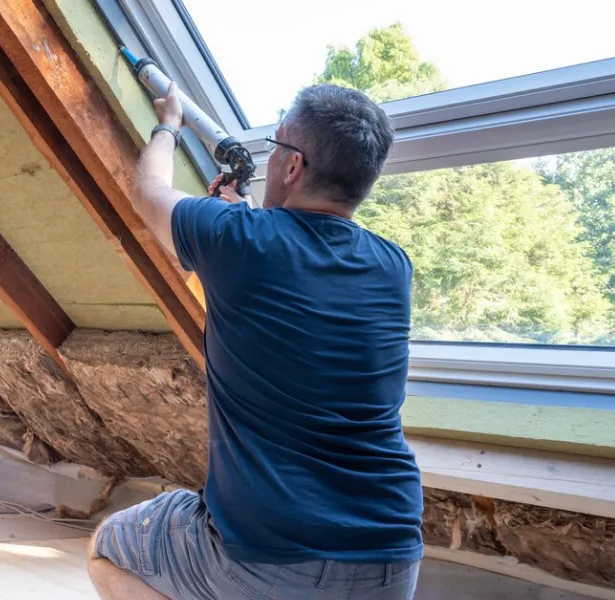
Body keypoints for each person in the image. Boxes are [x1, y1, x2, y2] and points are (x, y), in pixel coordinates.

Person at [87, 82, 423, 600]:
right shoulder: (393, 266)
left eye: (275, 146)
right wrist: (241, 214)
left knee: (108, 545)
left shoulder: (236, 240)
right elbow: (299, 272)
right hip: (391, 556)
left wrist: (168, 124)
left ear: (292, 166)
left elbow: (148, 192)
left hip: (268, 556)